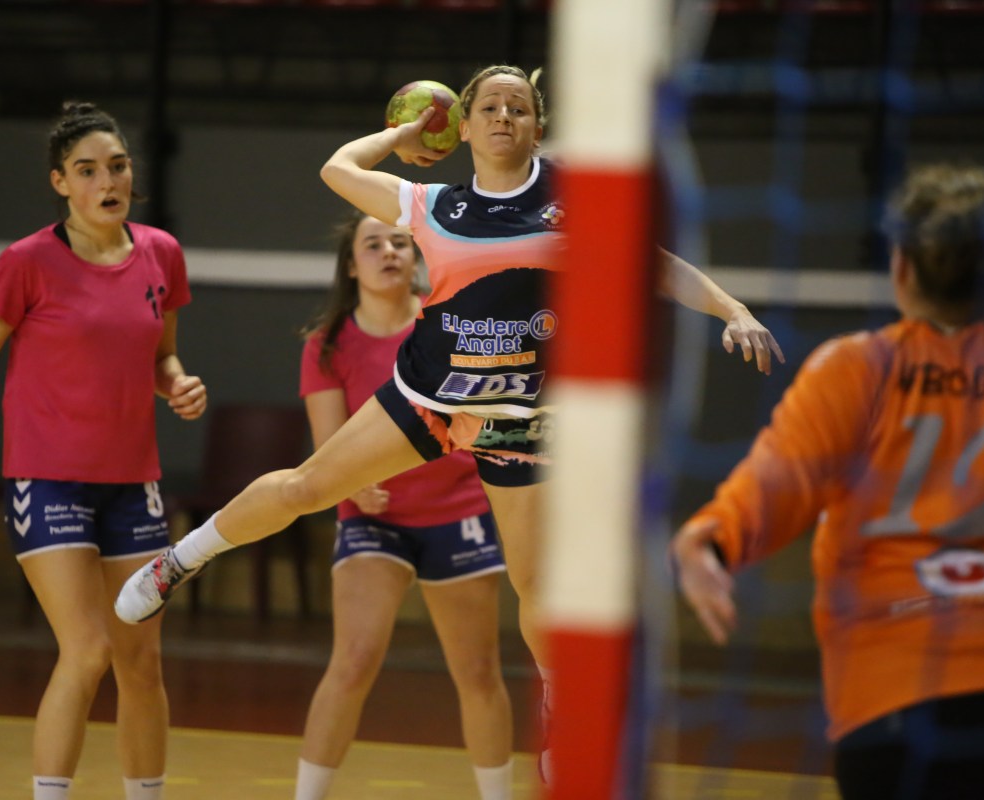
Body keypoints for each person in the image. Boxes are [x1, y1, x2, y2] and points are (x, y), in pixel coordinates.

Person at [115, 64, 781, 779]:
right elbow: (337, 168)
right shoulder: (431, 204)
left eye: (518, 107)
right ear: (463, 126)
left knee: (535, 587)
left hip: (520, 420)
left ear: (537, 126)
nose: (503, 117)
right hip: (432, 398)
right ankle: (179, 560)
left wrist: (733, 310)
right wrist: (405, 133)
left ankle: (559, 701)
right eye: (488, 106)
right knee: (308, 486)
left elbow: (654, 264)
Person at [670, 163, 984, 800]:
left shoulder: (858, 369)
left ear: (900, 267)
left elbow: (778, 479)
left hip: (890, 700)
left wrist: (710, 538)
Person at [0, 101, 207, 800]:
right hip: (47, 482)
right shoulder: (27, 263)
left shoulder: (161, 254)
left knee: (140, 658)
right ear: (61, 183)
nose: (106, 181)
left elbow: (163, 356)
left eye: (116, 166)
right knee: (87, 650)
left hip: (132, 485)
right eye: (87, 170)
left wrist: (177, 384)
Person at [295, 209, 514, 800]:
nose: (390, 251)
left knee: (477, 673)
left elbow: (482, 414)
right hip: (374, 520)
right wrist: (350, 482)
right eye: (374, 244)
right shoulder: (326, 344)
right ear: (351, 264)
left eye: (400, 241)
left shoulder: (444, 322)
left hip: (458, 510)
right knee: (355, 658)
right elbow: (328, 447)